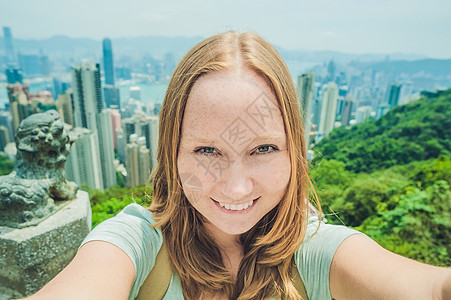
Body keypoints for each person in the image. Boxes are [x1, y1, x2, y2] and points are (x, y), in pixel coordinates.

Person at [27, 31, 450, 300]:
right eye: (207, 151)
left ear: (295, 154)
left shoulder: (316, 252)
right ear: (172, 153)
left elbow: (430, 289)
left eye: (263, 149)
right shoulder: (135, 242)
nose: (234, 187)